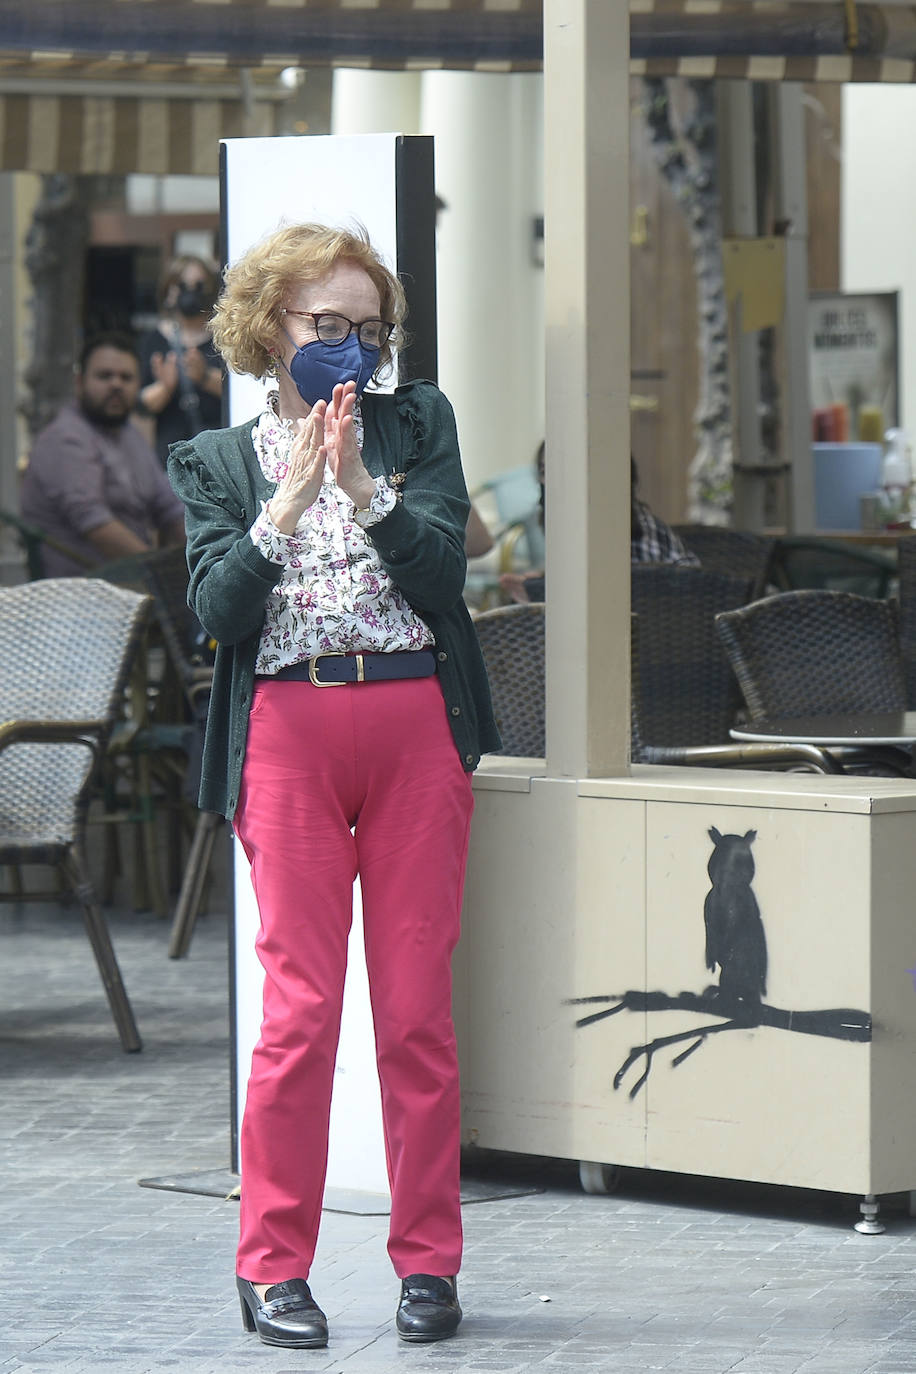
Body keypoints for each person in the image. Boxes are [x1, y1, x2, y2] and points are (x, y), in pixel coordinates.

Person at [166, 222, 499, 1351]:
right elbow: (216, 615)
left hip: (412, 719)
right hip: (288, 730)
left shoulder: (421, 425)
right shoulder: (214, 461)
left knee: (414, 1014)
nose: (348, 346)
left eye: (365, 326)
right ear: (271, 328)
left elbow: (447, 574)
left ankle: (428, 1265)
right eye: (325, 325)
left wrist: (362, 485)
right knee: (299, 1016)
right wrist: (286, 502)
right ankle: (272, 1269)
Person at [20, 333, 186, 576]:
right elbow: (96, 524)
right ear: (79, 382)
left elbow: (169, 508)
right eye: (104, 376)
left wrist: (204, 560)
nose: (116, 385)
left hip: (132, 587)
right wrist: (158, 572)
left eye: (126, 377)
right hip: (79, 597)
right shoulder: (65, 438)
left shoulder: (128, 435)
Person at [499, 451, 698, 602]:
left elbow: (608, 591)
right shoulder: (571, 519)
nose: (548, 480)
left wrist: (545, 592)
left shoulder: (618, 520)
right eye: (543, 471)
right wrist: (543, 584)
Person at [138, 254, 224, 464]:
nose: (190, 294)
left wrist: (204, 377)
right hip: (169, 459)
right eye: (183, 285)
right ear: (169, 291)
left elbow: (241, 392)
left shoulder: (225, 338)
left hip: (219, 456)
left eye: (199, 285)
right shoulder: (154, 340)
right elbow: (140, 404)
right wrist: (165, 387)